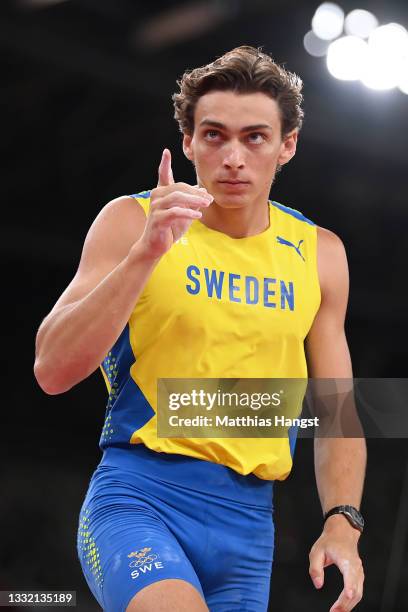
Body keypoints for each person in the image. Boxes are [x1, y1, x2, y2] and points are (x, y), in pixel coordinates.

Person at [34, 46, 366, 612]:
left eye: (255, 137)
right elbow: (52, 370)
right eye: (214, 135)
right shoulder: (132, 222)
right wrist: (145, 256)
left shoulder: (319, 255)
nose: (233, 157)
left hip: (248, 527)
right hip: (139, 498)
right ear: (188, 142)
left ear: (286, 146)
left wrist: (343, 521)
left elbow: (335, 408)